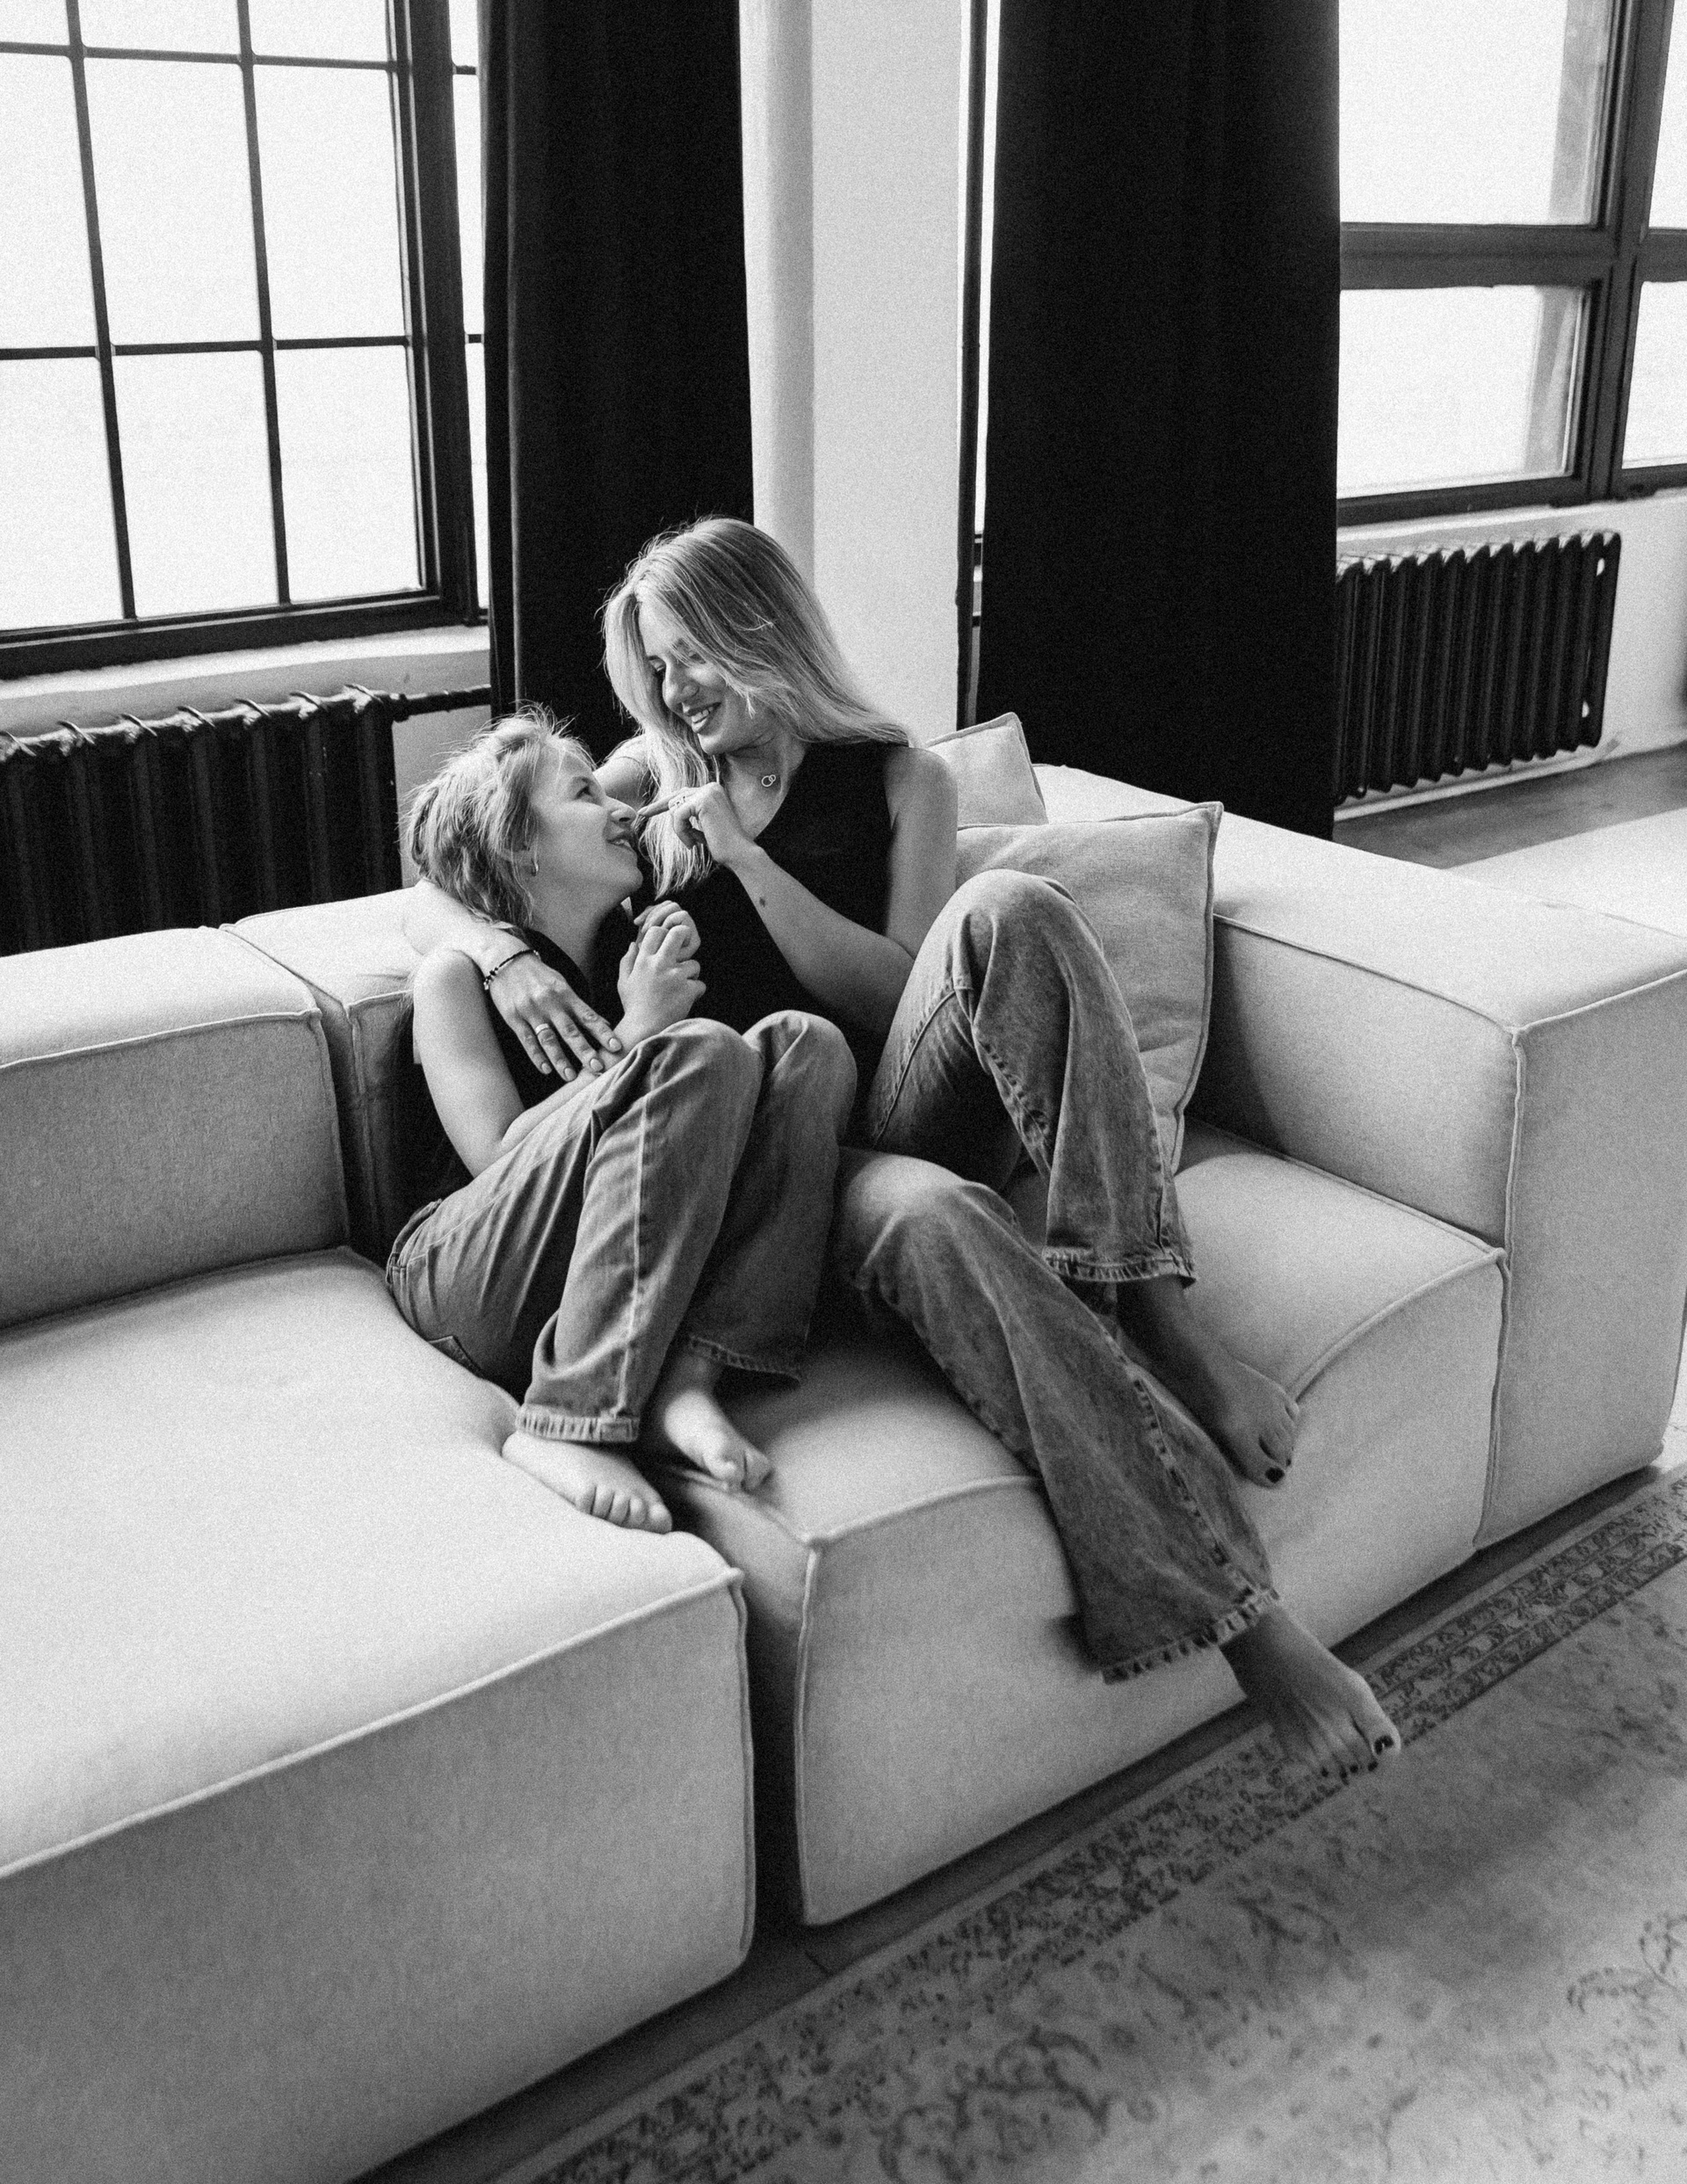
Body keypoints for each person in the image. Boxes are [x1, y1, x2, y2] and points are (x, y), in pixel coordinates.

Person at [405, 525, 1400, 1781]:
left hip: (880, 1100)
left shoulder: (899, 782)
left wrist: (747, 865)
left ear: (762, 627)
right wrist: (492, 950)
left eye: (693, 654)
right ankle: (1249, 1627)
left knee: (1011, 909)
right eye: (656, 668)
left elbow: (894, 994)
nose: (676, 690)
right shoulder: (648, 780)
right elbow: (458, 855)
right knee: (939, 1219)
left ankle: (1159, 1313)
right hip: (765, 1163)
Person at [389, 707, 856, 1533]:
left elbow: (703, 1122)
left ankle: (689, 1377)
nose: (619, 809)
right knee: (696, 1049)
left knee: (805, 1046)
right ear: (519, 845)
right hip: (463, 1272)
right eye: (584, 795)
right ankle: (565, 1420)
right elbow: (496, 1156)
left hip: (587, 1264)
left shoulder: (633, 952)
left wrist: (669, 997)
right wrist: (642, 1033)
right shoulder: (455, 979)